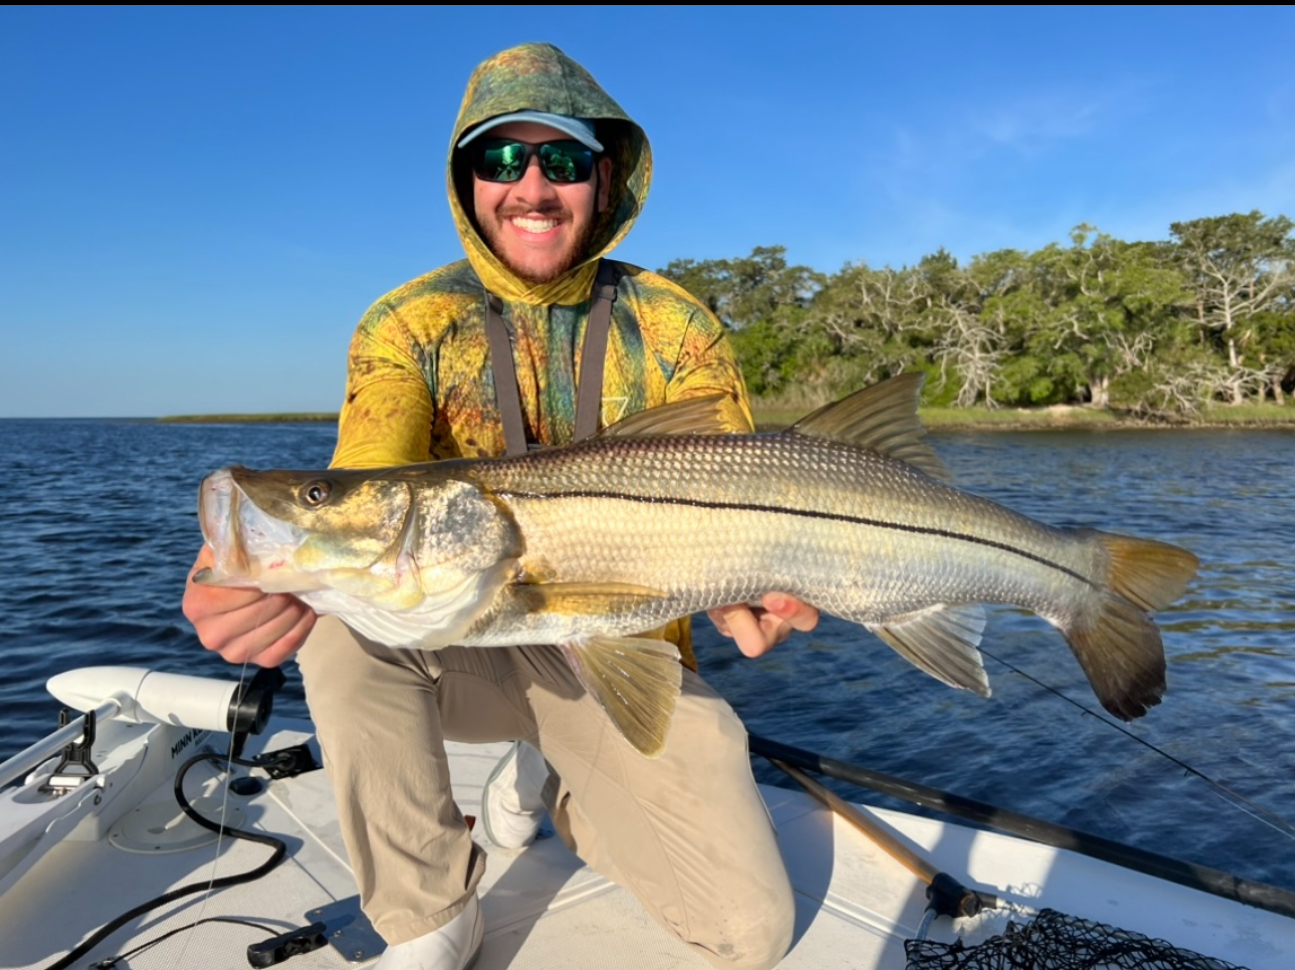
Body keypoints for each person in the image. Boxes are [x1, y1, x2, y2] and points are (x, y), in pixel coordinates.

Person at [183, 43, 818, 970]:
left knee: (745, 933)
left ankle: (560, 784)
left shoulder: (679, 325)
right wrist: (247, 572)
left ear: (605, 179)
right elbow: (367, 480)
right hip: (452, 647)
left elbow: (732, 499)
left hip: (623, 651)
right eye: (500, 159)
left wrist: (746, 592)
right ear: (466, 181)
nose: (531, 186)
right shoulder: (407, 323)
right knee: (335, 612)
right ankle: (427, 910)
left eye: (561, 161)